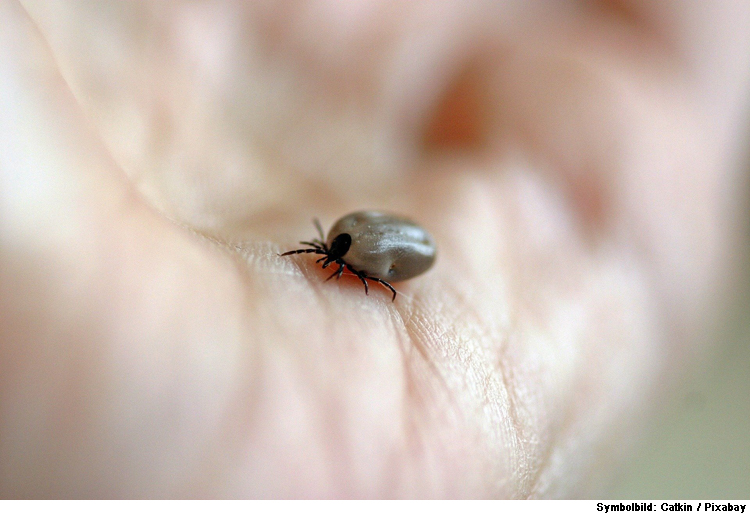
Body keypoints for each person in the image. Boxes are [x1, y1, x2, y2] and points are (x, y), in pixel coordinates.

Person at [1, 0, 749, 498]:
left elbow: (376, 256)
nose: (328, 267)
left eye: (333, 262)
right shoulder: (352, 248)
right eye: (333, 261)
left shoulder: (356, 247)